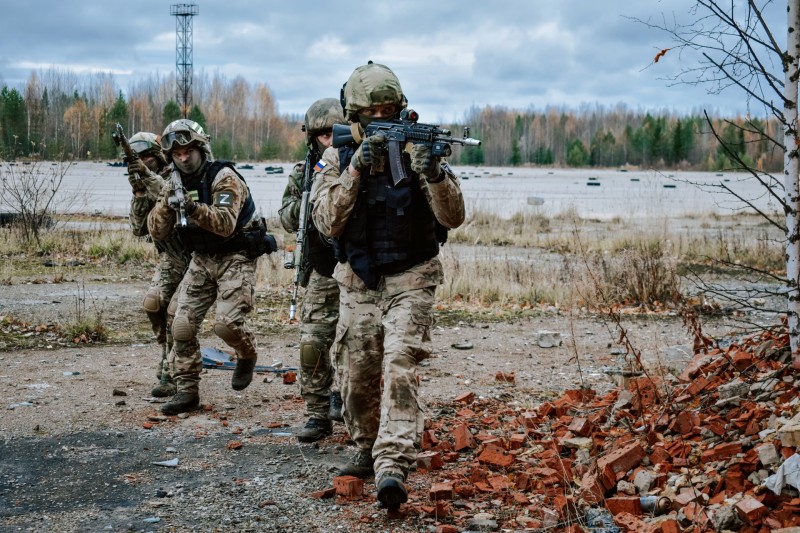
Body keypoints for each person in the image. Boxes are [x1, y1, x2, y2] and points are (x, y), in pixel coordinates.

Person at [311, 62, 465, 510]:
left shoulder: (417, 150)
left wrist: (433, 173)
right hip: (359, 280)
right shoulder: (338, 157)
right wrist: (355, 169)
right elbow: (326, 220)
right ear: (355, 117)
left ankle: (392, 465)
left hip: (411, 277)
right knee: (357, 373)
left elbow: (453, 217)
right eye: (372, 112)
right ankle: (365, 446)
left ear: (401, 108)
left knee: (400, 362)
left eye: (389, 109)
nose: (382, 118)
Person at [147, 119, 277, 415]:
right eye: (177, 155)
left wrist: (191, 208)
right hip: (202, 258)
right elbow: (156, 231)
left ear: (200, 149)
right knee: (181, 325)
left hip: (236, 255)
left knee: (226, 325)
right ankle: (186, 390)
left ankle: (247, 353)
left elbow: (224, 223)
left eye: (188, 152)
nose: (183, 159)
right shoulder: (172, 184)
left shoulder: (224, 177)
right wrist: (168, 205)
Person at [279, 98, 346, 443]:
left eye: (334, 132)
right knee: (313, 345)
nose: (328, 140)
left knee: (358, 346)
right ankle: (318, 414)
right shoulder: (304, 171)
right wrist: (306, 206)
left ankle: (352, 405)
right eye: (321, 134)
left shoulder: (361, 163)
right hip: (322, 268)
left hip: (359, 268)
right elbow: (286, 213)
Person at [125, 132, 191, 398]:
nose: (143, 162)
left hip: (196, 255)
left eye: (147, 156)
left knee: (177, 314)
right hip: (171, 256)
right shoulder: (145, 182)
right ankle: (168, 351)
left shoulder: (177, 173)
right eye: (137, 158)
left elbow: (172, 194)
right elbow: (138, 229)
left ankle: (171, 372)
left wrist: (148, 181)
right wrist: (139, 192)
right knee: (154, 304)